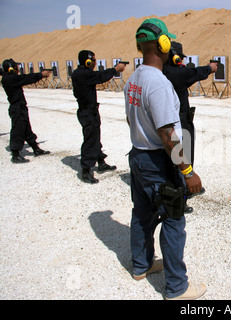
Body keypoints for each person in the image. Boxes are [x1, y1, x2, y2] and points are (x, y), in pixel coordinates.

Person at [125, 17, 206, 300]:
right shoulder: (157, 83)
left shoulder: (133, 79)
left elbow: (130, 119)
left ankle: (141, 265)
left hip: (137, 157)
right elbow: (167, 134)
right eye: (168, 40)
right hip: (158, 161)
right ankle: (176, 287)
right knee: (173, 219)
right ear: (162, 44)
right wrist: (187, 171)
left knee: (142, 213)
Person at [163, 41, 217, 206]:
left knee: (173, 156)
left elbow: (188, 74)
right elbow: (194, 72)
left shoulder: (161, 72)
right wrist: (210, 68)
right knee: (183, 156)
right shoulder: (177, 73)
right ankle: (182, 196)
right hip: (181, 121)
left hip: (170, 120)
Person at [72, 50, 126, 183]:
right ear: (88, 61)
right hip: (87, 112)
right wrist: (115, 70)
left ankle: (101, 162)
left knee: (95, 137)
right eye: (94, 60)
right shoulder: (82, 74)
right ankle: (86, 171)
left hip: (91, 111)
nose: (95, 63)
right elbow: (101, 76)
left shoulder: (82, 73)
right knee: (90, 140)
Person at [1, 58, 51, 163]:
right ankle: (15, 154)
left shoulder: (8, 77)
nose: (18, 69)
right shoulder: (10, 78)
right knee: (17, 131)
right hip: (17, 108)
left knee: (27, 129)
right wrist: (41, 75)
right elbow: (27, 78)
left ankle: (36, 149)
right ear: (11, 69)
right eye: (15, 67)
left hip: (20, 107)